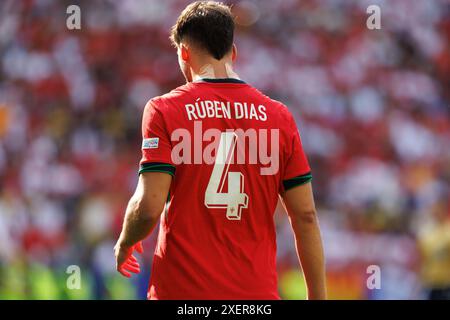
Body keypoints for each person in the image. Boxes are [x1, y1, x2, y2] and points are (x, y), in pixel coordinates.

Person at [114, 1, 326, 300]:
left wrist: (126, 240)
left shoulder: (164, 110)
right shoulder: (279, 117)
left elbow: (149, 206)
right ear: (233, 52)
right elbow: (305, 215)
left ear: (184, 52)